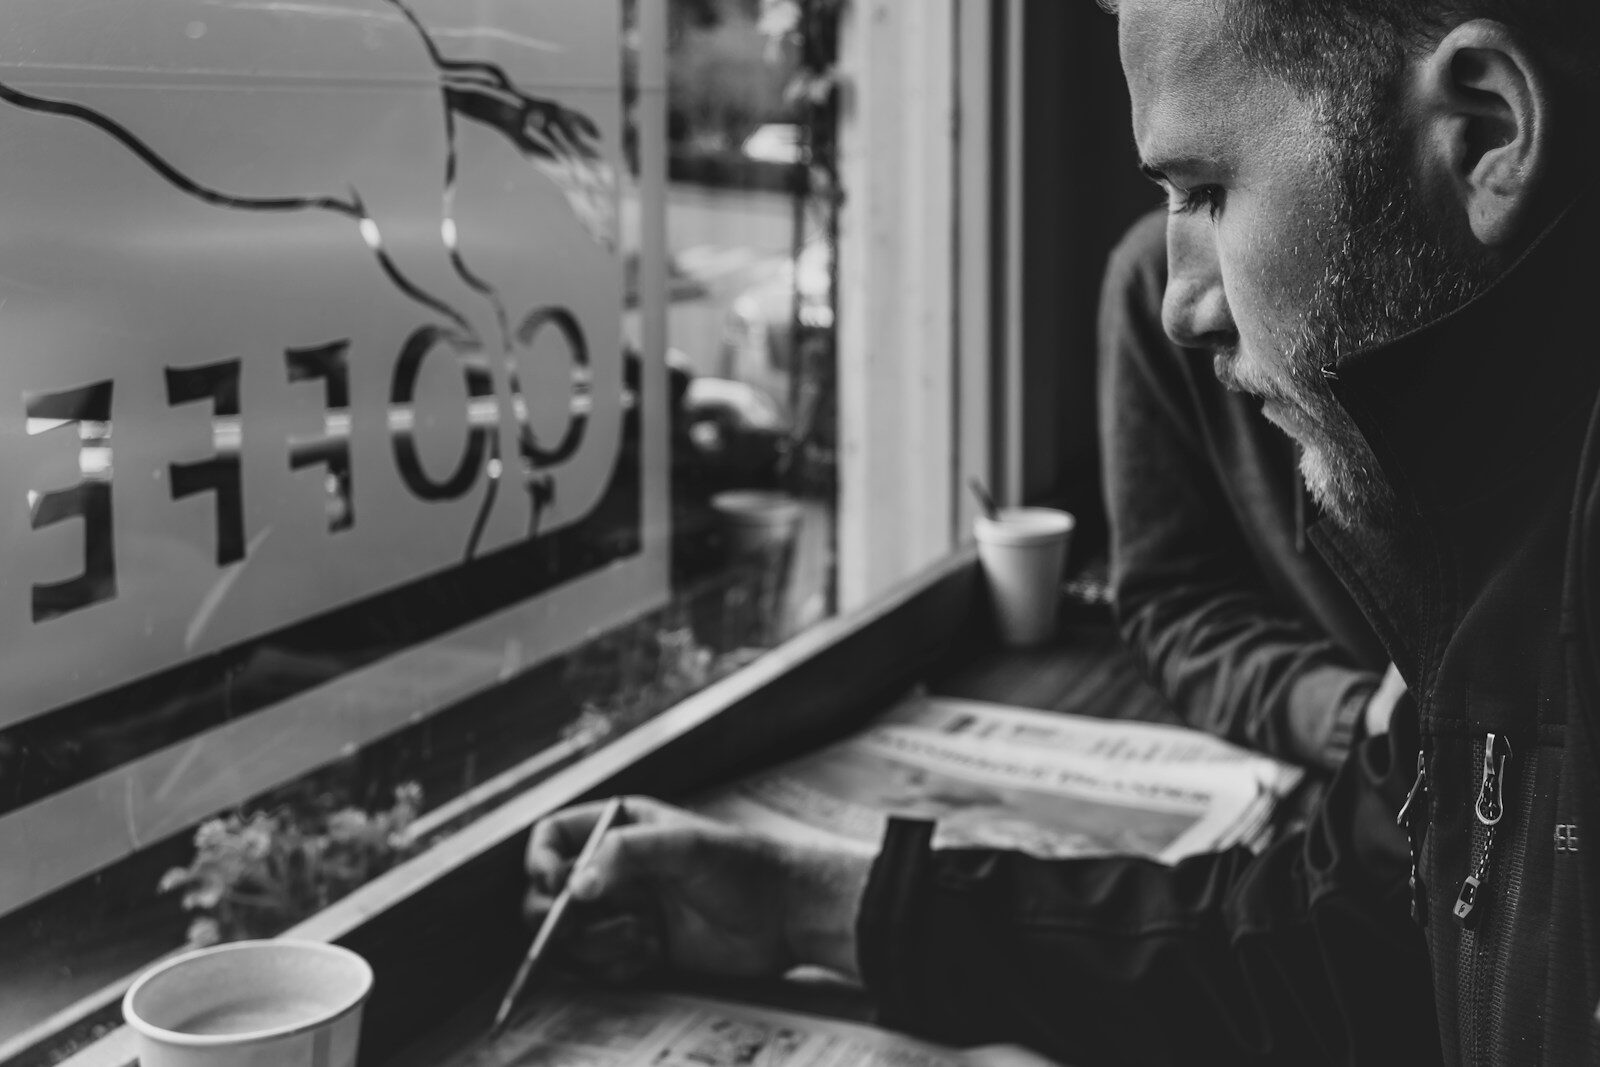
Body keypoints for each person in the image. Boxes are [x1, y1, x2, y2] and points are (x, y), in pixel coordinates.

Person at [526, 1, 1600, 1062]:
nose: (1180, 302)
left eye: (1209, 191)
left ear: (1486, 130)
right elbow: (1313, 950)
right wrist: (804, 905)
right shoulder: (1490, 559)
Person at [1100, 208, 1405, 772]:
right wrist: (1355, 717)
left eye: (1210, 195)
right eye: (1173, 191)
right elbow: (1177, 604)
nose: (1180, 314)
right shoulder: (1154, 278)